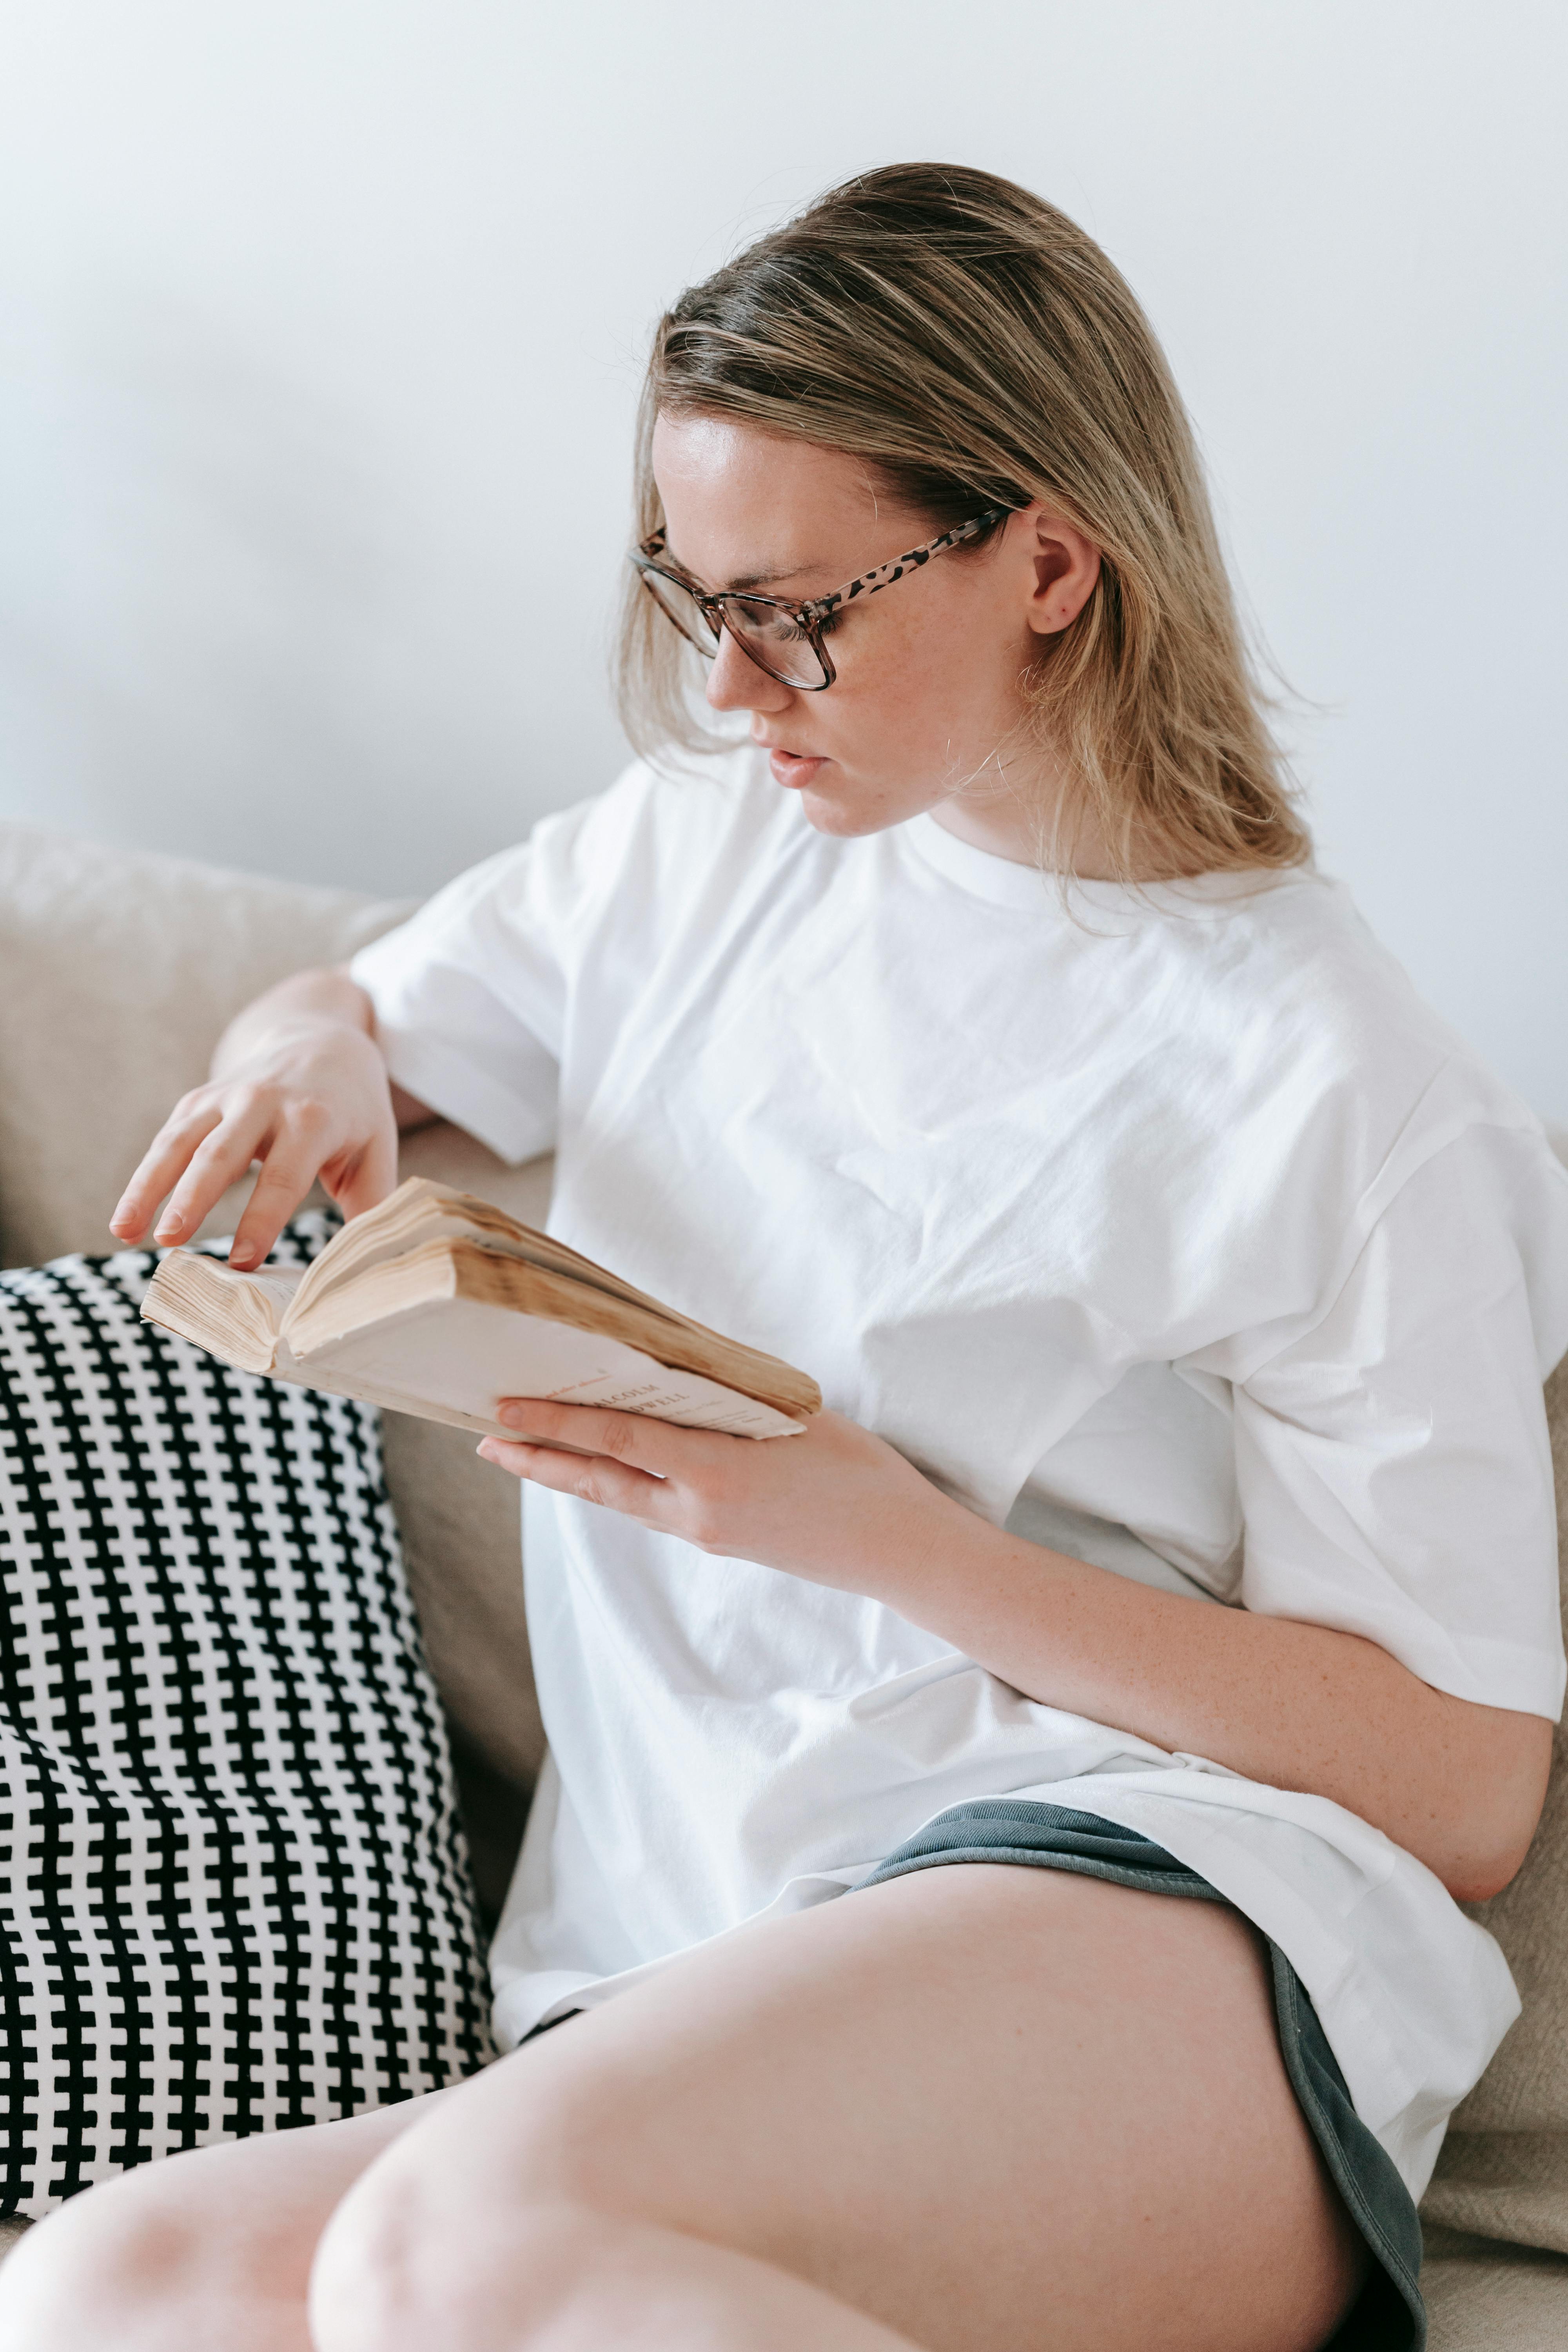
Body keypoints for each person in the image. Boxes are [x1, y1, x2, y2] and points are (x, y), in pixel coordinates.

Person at [4, 161, 1566, 2352]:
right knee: (101, 2290)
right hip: (688, 1950)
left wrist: (879, 1533)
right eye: (691, 596)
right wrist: (301, 1043)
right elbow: (372, 1012)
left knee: (466, 2255)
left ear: (1048, 555)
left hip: (1139, 1917)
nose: (736, 687)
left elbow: (1472, 1788)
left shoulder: (1340, 1080)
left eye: (803, 608)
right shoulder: (706, 852)